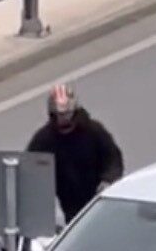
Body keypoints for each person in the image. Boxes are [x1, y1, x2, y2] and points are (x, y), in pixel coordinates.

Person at [26, 84, 124, 224]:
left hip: (99, 199)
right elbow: (29, 169)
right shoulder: (43, 140)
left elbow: (113, 158)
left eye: (67, 114)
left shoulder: (94, 131)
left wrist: (107, 180)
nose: (64, 119)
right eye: (60, 115)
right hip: (69, 205)